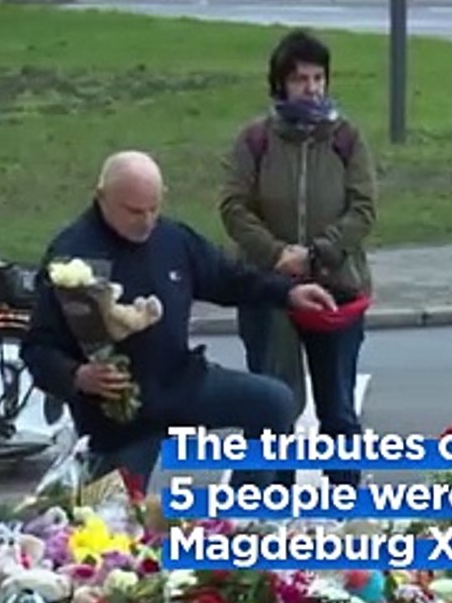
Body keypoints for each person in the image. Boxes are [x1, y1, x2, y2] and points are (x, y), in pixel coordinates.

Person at [20, 151, 339, 491]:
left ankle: (241, 513)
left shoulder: (172, 239)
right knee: (110, 518)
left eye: (154, 208)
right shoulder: (70, 255)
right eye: (134, 211)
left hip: (180, 380)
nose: (146, 220)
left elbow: (229, 277)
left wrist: (288, 293)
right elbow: (37, 349)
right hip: (119, 415)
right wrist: (77, 376)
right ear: (102, 197)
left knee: (273, 402)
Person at [219, 30, 376, 490]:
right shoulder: (255, 139)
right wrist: (275, 254)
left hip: (337, 288)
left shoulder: (346, 137)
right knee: (273, 404)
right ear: (280, 84)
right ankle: (268, 516)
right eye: (300, 79)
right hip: (269, 291)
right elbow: (234, 207)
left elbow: (363, 207)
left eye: (318, 77)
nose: (311, 87)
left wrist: (319, 252)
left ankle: (345, 510)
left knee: (338, 411)